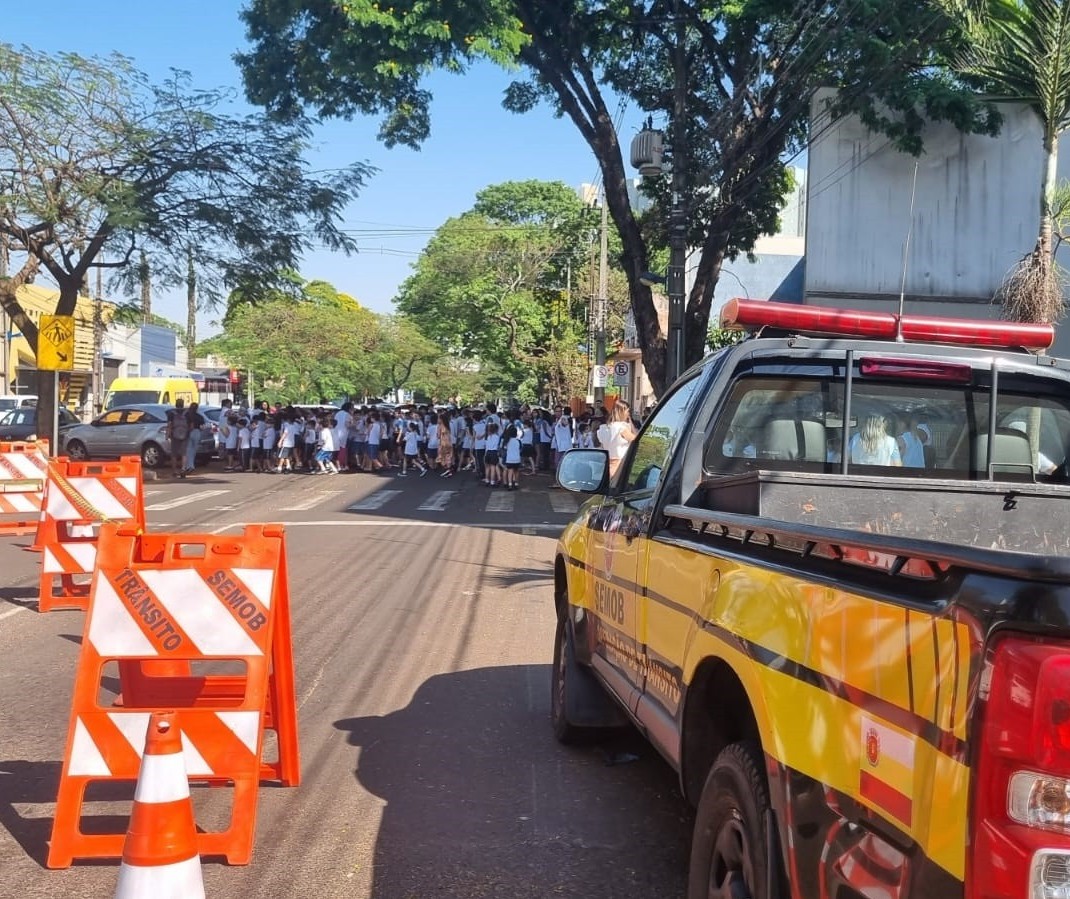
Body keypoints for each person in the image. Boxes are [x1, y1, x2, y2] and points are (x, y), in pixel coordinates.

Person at [597, 401, 638, 478]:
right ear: (622, 411)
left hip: (608, 463)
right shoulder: (622, 428)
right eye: (628, 411)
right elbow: (636, 440)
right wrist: (631, 424)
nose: (629, 414)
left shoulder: (604, 428)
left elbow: (602, 446)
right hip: (621, 463)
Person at [166, 398, 189, 479]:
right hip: (185, 435)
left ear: (176, 404)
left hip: (174, 435)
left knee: (174, 454)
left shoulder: (171, 413)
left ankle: (174, 471)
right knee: (184, 454)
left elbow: (169, 425)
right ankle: (183, 469)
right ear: (183, 404)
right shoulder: (187, 413)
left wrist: (167, 435)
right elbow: (189, 424)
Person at [184, 401, 205, 473]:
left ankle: (189, 466)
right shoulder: (199, 416)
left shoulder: (186, 415)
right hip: (197, 432)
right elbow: (202, 427)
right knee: (194, 450)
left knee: (188, 450)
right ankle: (191, 465)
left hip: (189, 432)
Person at [502, 424, 522, 490]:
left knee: (510, 471)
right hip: (517, 459)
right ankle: (516, 483)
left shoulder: (507, 441)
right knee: (516, 471)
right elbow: (520, 449)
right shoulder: (518, 441)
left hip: (509, 459)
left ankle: (510, 484)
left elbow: (505, 448)